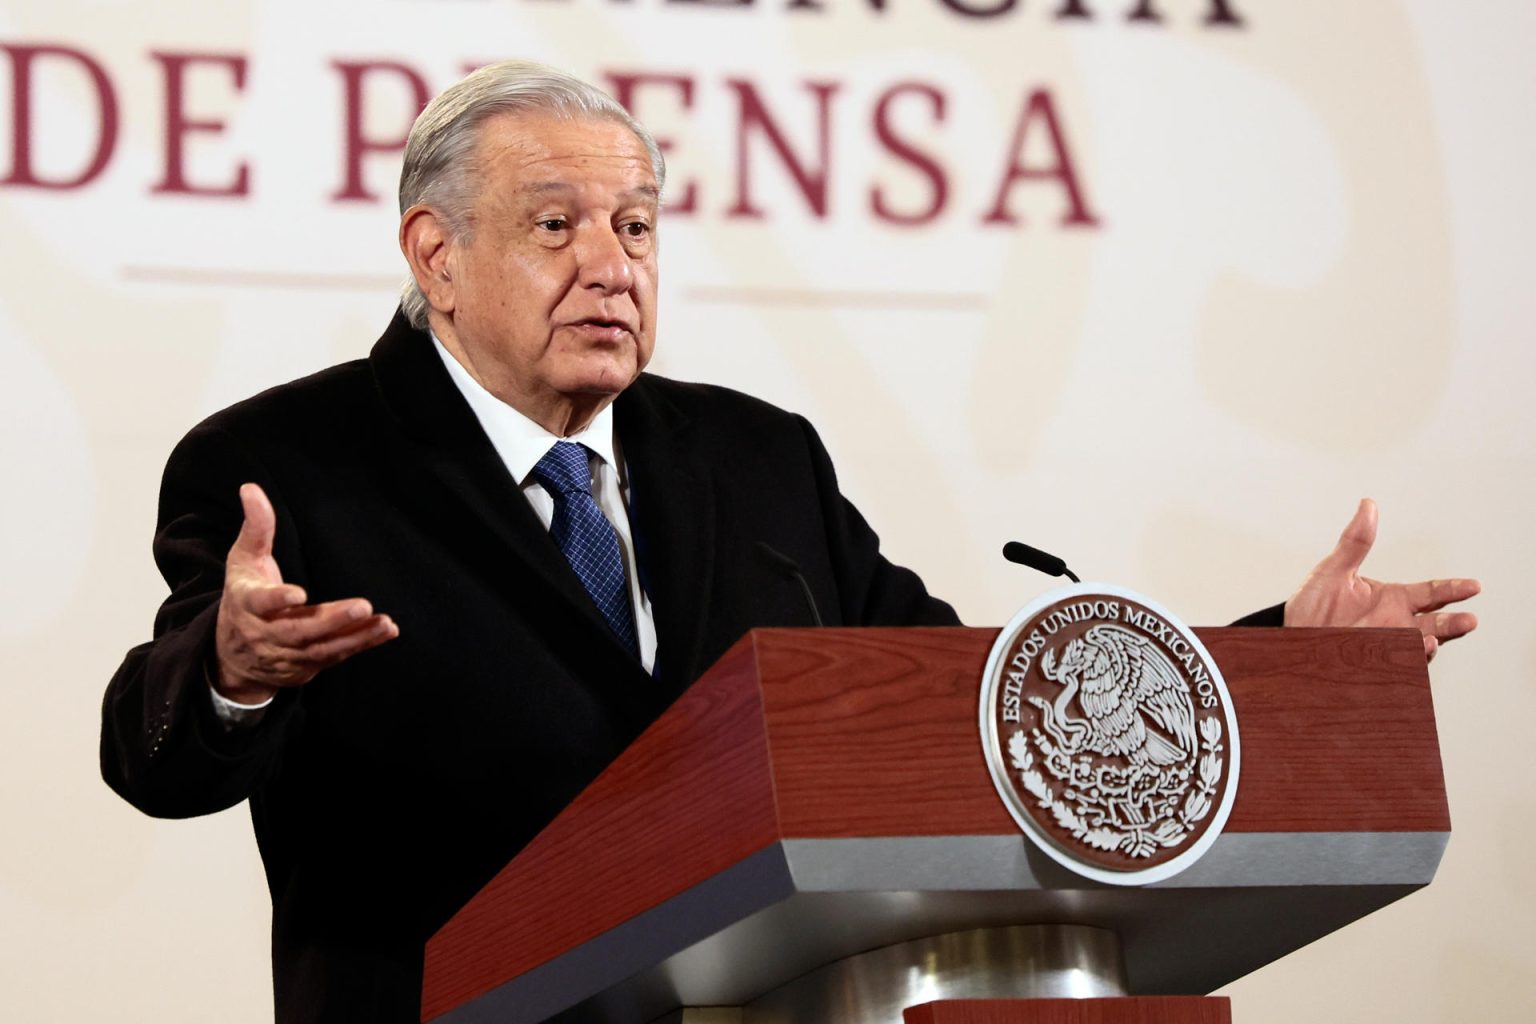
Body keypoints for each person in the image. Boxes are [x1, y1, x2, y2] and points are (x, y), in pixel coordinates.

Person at [99, 60, 1480, 1023]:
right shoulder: (287, 469)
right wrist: (229, 671)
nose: (613, 264)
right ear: (436, 255)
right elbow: (150, 756)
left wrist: (1280, 663)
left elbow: (970, 713)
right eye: (558, 226)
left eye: (637, 226)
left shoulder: (754, 460)